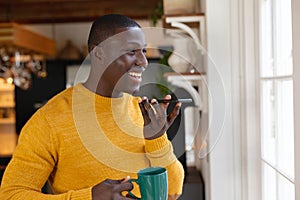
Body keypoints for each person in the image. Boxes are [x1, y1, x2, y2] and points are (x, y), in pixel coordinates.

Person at [0, 14, 184, 199]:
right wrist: (89, 197)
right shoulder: (49, 119)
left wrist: (157, 140)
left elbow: (173, 192)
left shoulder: (142, 112)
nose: (143, 62)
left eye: (143, 51)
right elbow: (11, 195)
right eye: (131, 51)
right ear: (99, 53)